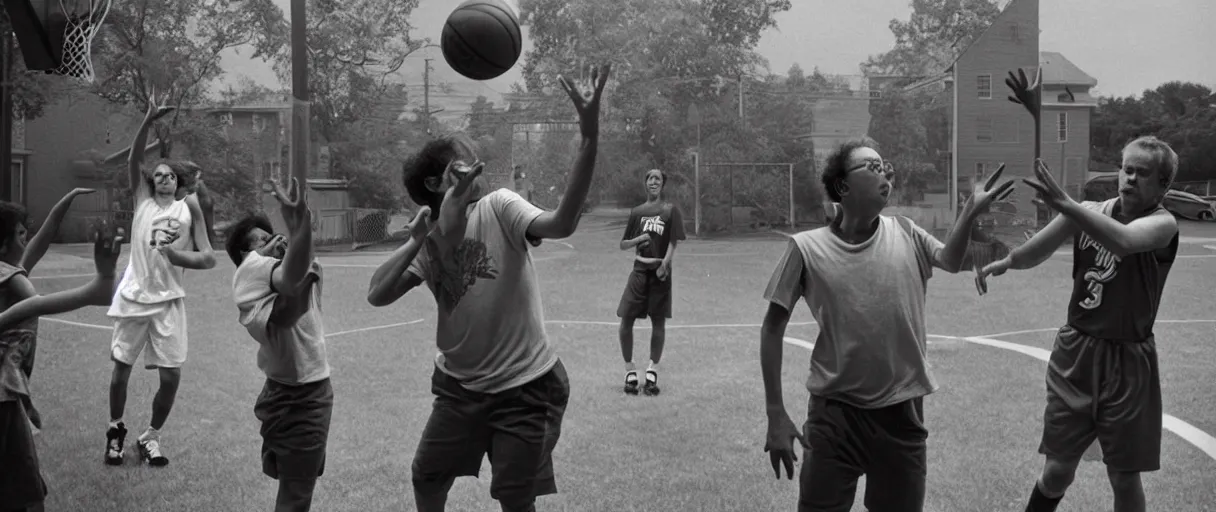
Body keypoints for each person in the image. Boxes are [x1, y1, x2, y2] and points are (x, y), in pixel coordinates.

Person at [366, 63, 610, 512]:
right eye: (465, 158)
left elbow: (562, 223)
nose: (477, 161)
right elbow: (376, 293)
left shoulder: (500, 207)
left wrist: (589, 139)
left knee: (515, 497)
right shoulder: (429, 238)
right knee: (427, 477)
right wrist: (417, 239)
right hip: (460, 388)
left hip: (526, 385)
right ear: (437, 183)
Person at [759, 138, 1013, 512]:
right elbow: (771, 329)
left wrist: (970, 212)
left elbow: (951, 258)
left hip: (902, 413)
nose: (885, 174)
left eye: (886, 167)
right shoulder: (805, 248)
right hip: (834, 417)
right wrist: (775, 414)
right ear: (843, 187)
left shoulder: (906, 231)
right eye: (873, 167)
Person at [976, 137, 1181, 512]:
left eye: (1143, 173)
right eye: (1127, 169)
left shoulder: (1162, 224)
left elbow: (1122, 241)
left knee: (1123, 474)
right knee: (1057, 469)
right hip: (1077, 355)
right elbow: (1038, 249)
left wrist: (1068, 207)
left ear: (1164, 185)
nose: (1131, 178)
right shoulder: (1089, 210)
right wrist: (1008, 261)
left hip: (1128, 361)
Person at [105, 94, 217, 467]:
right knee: (121, 371)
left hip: (168, 300)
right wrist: (148, 120)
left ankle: (150, 437)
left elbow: (208, 257)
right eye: (158, 176)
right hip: (135, 296)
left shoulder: (190, 207)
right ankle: (115, 432)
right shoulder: (142, 201)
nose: (164, 178)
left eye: (170, 175)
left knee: (170, 378)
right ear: (151, 183)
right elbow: (135, 158)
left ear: (177, 181)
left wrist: (174, 255)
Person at [0, 199, 125, 512]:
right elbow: (37, 303)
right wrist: (103, 279)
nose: (25, 238)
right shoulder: (11, 277)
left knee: (26, 491)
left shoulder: (9, 270)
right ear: (3, 245)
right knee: (24, 492)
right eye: (19, 234)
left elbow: (38, 243)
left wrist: (61, 205)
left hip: (8, 396)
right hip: (2, 398)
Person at [226, 177, 335, 512]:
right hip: (300, 396)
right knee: (297, 496)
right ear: (246, 255)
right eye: (259, 242)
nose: (272, 242)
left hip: (300, 389)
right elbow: (290, 308)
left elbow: (297, 280)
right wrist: (300, 228)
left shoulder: (281, 266)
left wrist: (302, 229)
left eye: (270, 234)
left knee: (294, 491)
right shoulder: (251, 269)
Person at [616, 168, 685, 396]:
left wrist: (665, 263)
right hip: (639, 269)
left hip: (660, 271)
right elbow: (624, 244)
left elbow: (674, 240)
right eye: (650, 178)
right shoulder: (637, 212)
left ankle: (652, 372)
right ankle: (630, 372)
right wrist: (640, 238)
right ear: (645, 183)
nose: (653, 182)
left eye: (658, 179)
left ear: (662, 184)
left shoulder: (669, 211)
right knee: (626, 318)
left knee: (658, 321)